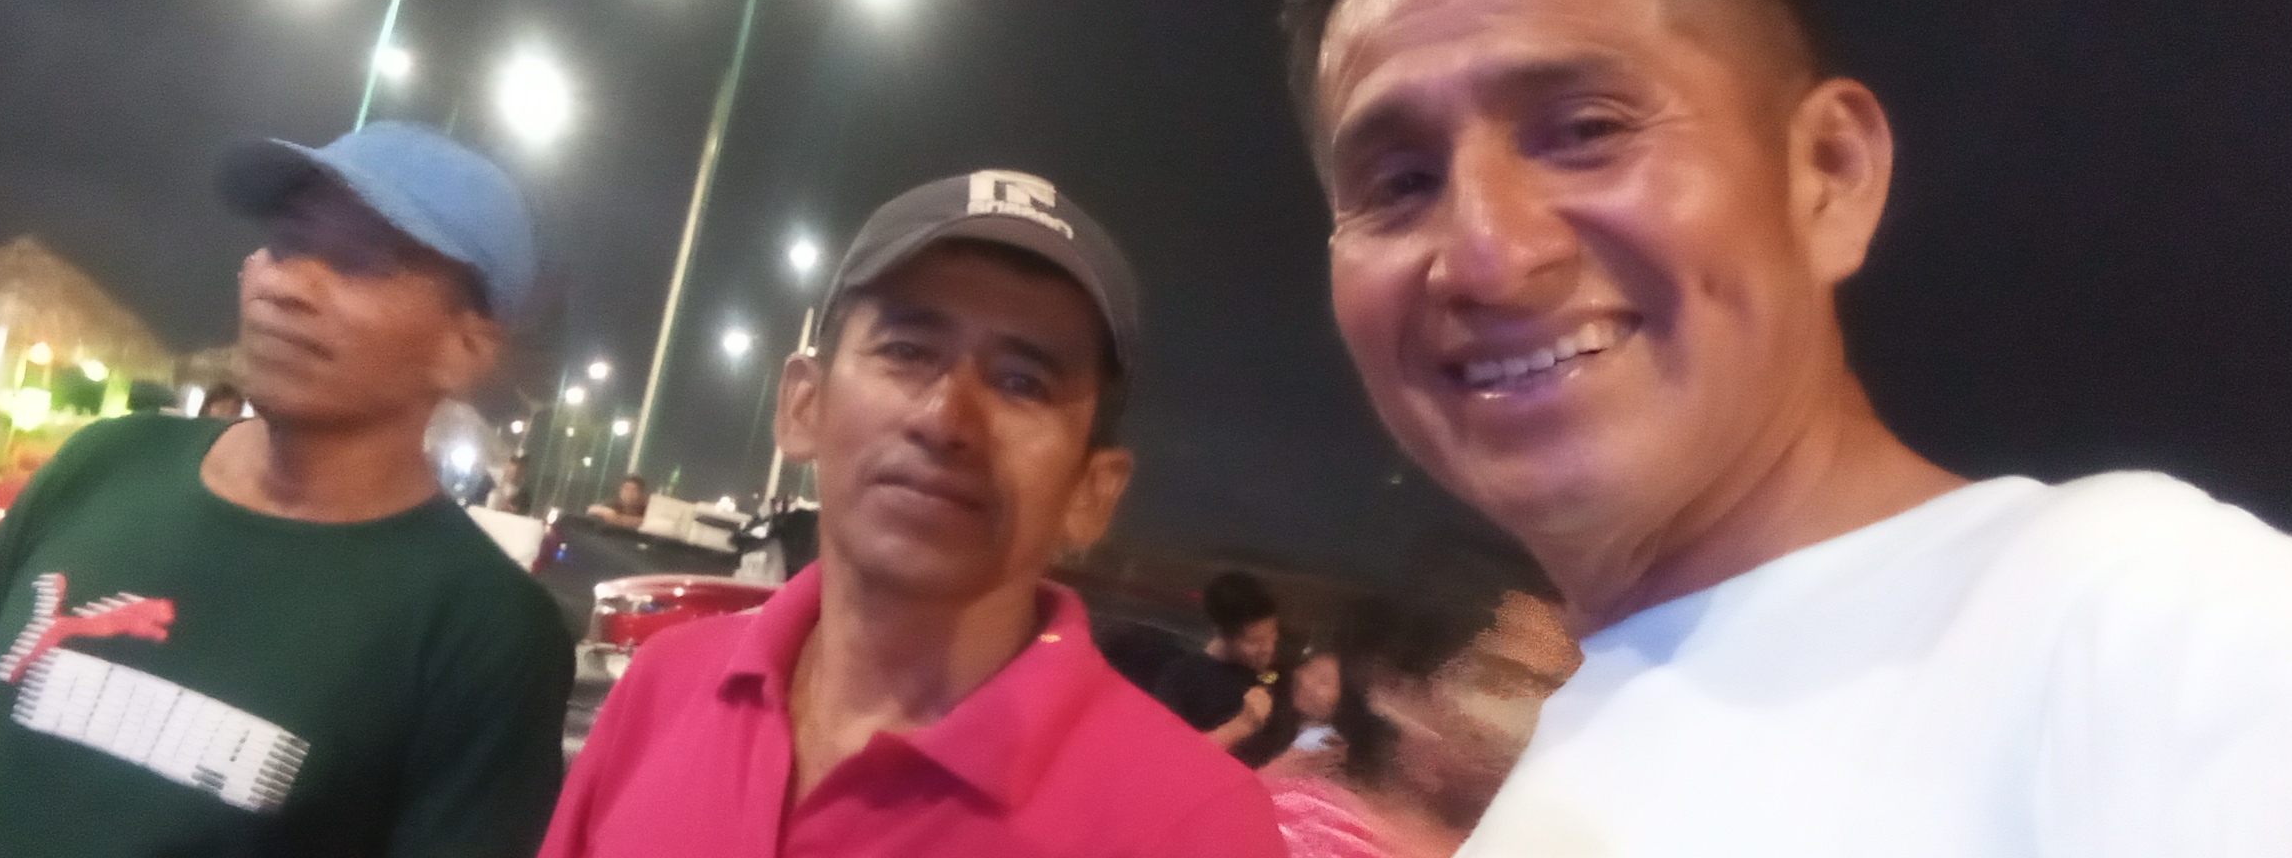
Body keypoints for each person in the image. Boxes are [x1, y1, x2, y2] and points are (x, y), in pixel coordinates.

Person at [1279, 0, 2292, 854]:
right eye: (1398, 184)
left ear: (1828, 174)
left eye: (1587, 130)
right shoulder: (1561, 773)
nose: (1488, 256)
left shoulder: (2153, 633)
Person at [0, 122, 573, 858]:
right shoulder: (104, 466)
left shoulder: (488, 637)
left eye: (357, 261)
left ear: (465, 346)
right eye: (285, 242)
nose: (288, 284)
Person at [542, 170, 1286, 857]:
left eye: (1023, 383)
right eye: (906, 349)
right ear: (803, 404)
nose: (945, 418)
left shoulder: (1200, 830)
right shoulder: (664, 687)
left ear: (1093, 491)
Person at [1267, 552, 1579, 858]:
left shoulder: (1542, 839)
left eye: (1553, 687)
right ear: (1397, 690)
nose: (1536, 714)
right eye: (1502, 682)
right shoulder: (1291, 833)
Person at [1156, 570, 1284, 756]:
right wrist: (1240, 726)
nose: (1267, 648)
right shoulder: (1182, 677)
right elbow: (1165, 753)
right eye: (1254, 641)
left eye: (1272, 634)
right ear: (1223, 634)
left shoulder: (1267, 676)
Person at [583, 475, 650, 527]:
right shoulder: (612, 505)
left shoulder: (648, 511)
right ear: (620, 491)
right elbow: (592, 509)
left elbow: (649, 523)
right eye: (626, 489)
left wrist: (617, 518)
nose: (629, 494)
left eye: (634, 490)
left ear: (642, 494)